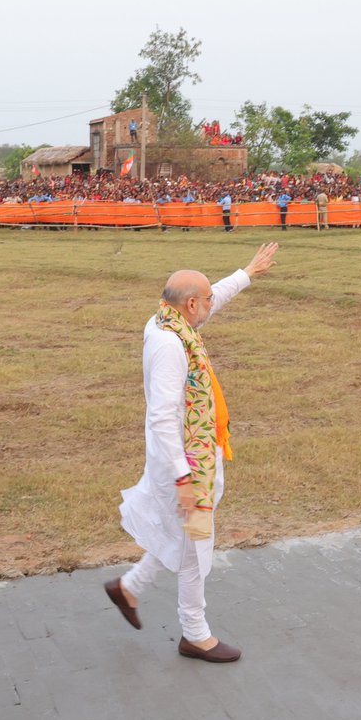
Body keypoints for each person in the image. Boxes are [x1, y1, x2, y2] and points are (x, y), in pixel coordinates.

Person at [105, 242, 279, 663]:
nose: (210, 307)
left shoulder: (168, 322)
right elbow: (163, 417)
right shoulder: (169, 346)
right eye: (205, 303)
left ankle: (129, 588)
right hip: (188, 466)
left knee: (179, 537)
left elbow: (211, 296)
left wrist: (247, 273)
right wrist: (184, 477)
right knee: (196, 549)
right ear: (190, 305)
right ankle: (195, 634)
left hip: (194, 458)